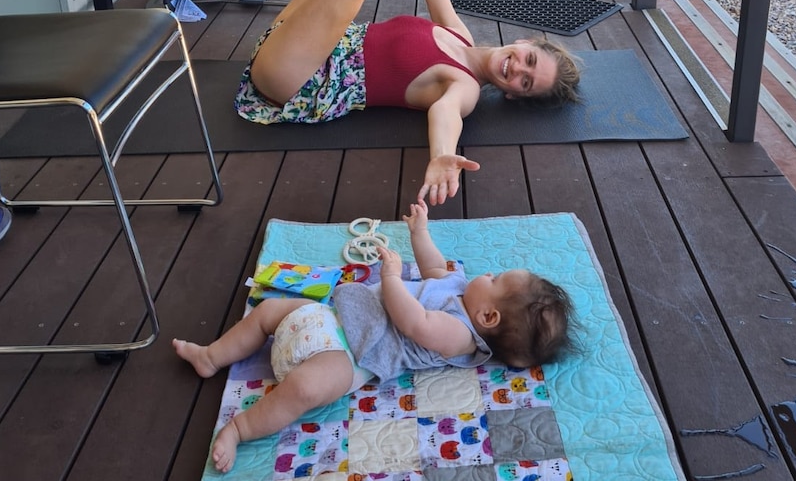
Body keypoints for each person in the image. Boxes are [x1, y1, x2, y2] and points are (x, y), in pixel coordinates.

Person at [173, 199, 576, 473]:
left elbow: (414, 322)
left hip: (353, 354)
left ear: (488, 316)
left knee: (306, 390)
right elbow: (435, 269)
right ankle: (212, 356)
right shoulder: (458, 287)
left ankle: (240, 428)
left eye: (496, 278)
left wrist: (391, 278)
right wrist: (420, 232)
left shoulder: (462, 337)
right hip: (330, 315)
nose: (486, 274)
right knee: (268, 312)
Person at [234, 0, 580, 206]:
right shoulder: (461, 36)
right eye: (529, 60)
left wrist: (443, 155)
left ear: (513, 94)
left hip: (298, 78)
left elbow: (446, 114)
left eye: (525, 82)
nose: (517, 68)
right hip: (301, 43)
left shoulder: (466, 88)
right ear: (524, 42)